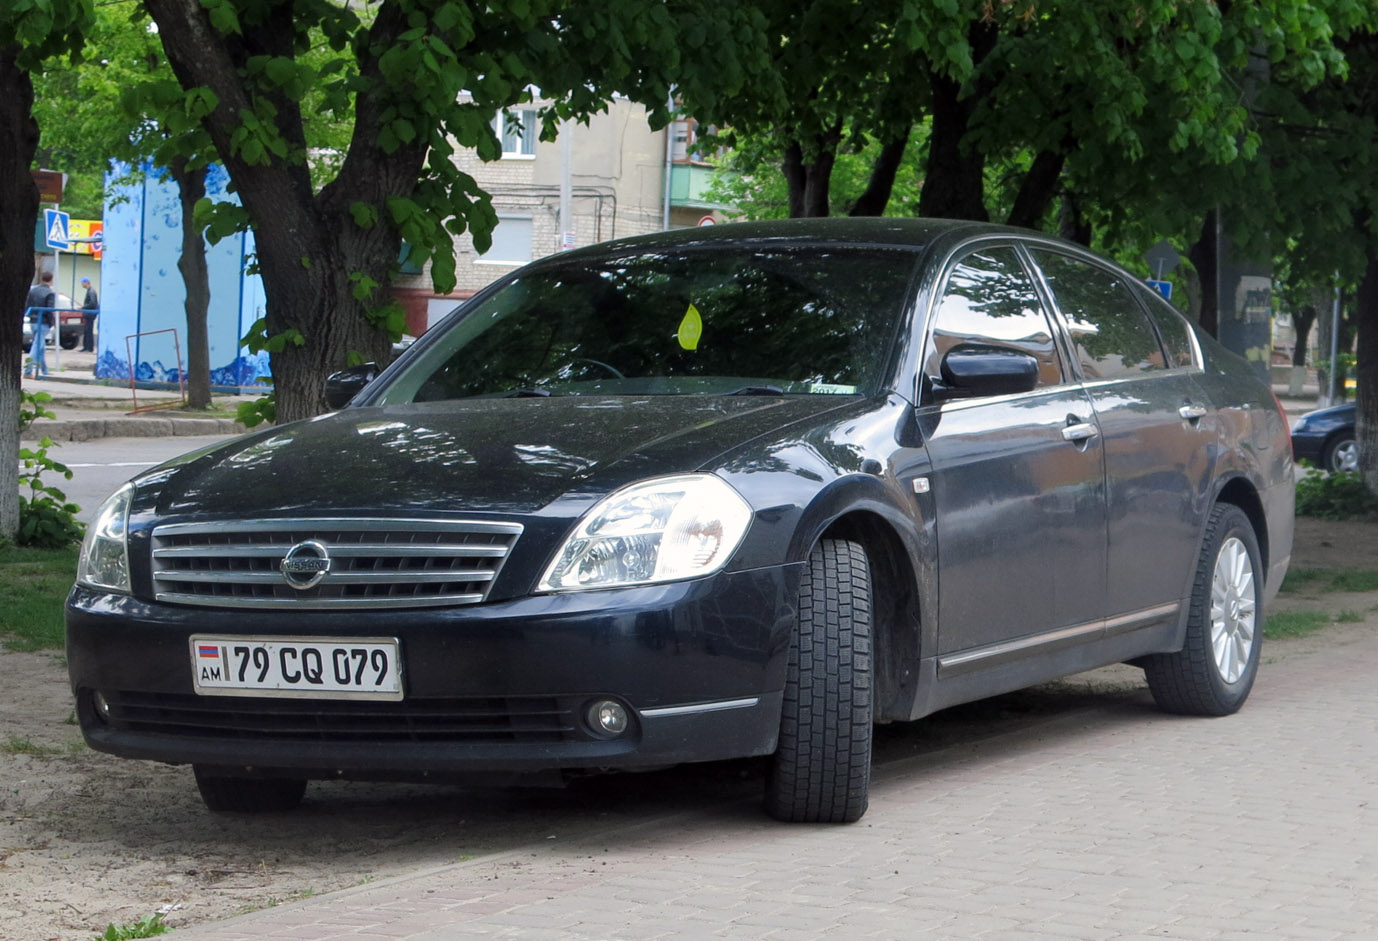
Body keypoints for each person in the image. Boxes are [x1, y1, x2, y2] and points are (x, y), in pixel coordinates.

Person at [24, 270, 56, 378]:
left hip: (33, 321)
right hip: (43, 322)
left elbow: (28, 305)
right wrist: (52, 322)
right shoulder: (50, 293)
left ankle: (44, 369)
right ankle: (28, 370)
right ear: (51, 280)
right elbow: (49, 309)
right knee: (37, 346)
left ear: (41, 278)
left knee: (40, 346)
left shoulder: (33, 291)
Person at [79, 276, 99, 352]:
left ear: (86, 283)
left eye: (82, 282)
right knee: (87, 331)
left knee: (89, 331)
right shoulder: (90, 291)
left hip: (90, 314)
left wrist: (83, 307)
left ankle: (89, 348)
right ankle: (86, 347)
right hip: (89, 314)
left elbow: (93, 303)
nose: (82, 284)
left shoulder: (91, 292)